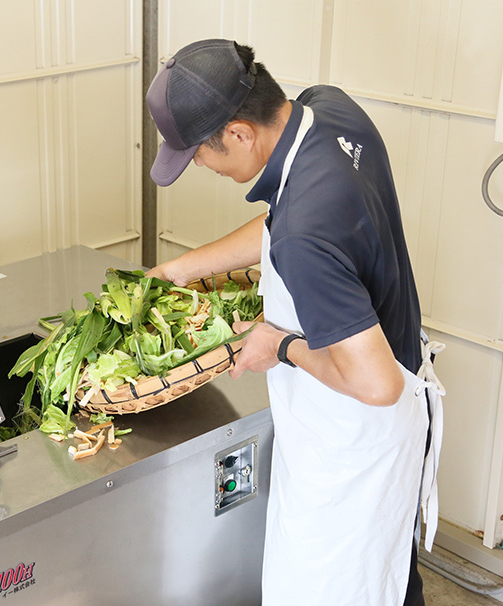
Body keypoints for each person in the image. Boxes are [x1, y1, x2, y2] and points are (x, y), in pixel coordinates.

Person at [146, 39, 440, 605]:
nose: (202, 168)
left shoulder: (307, 234)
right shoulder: (327, 111)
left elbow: (377, 385)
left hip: (354, 439)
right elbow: (284, 225)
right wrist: (182, 268)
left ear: (238, 132)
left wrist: (279, 345)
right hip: (393, 407)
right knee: (391, 579)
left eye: (198, 156)